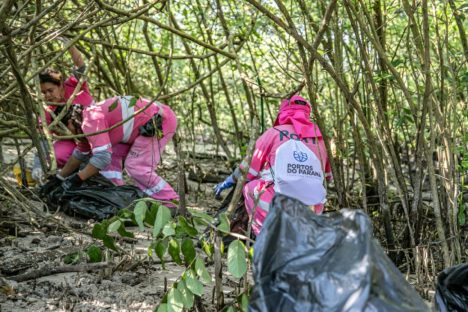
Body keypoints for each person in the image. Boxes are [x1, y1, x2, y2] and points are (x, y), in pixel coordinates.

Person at [214, 95, 333, 235]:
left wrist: (230, 180)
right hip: (313, 208)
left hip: (276, 204)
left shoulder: (274, 133)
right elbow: (326, 178)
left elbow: (248, 170)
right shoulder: (320, 140)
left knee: (250, 187)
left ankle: (264, 235)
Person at [48, 95, 179, 207]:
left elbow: (102, 158)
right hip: (140, 127)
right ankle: (118, 193)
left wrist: (77, 178)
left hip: (158, 122)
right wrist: (59, 178)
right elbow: (81, 151)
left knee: (136, 166)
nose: (69, 134)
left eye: (66, 129)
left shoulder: (90, 119)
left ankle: (171, 201)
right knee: (109, 161)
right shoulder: (86, 119)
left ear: (70, 121)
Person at [32, 38, 95, 183]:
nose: (47, 95)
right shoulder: (47, 109)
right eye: (43, 92)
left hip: (94, 134)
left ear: (61, 85)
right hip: (71, 142)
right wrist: (38, 165)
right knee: (55, 156)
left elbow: (81, 67)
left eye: (50, 90)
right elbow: (43, 138)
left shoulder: (74, 86)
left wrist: (70, 46)